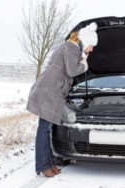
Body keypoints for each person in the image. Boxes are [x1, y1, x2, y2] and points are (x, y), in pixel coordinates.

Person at [26, 22, 98, 177]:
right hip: (47, 93)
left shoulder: (71, 48)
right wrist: (84, 64)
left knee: (46, 130)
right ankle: (44, 166)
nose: (91, 49)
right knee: (44, 130)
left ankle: (49, 164)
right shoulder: (71, 47)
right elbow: (72, 71)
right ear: (85, 41)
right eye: (91, 45)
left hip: (50, 93)